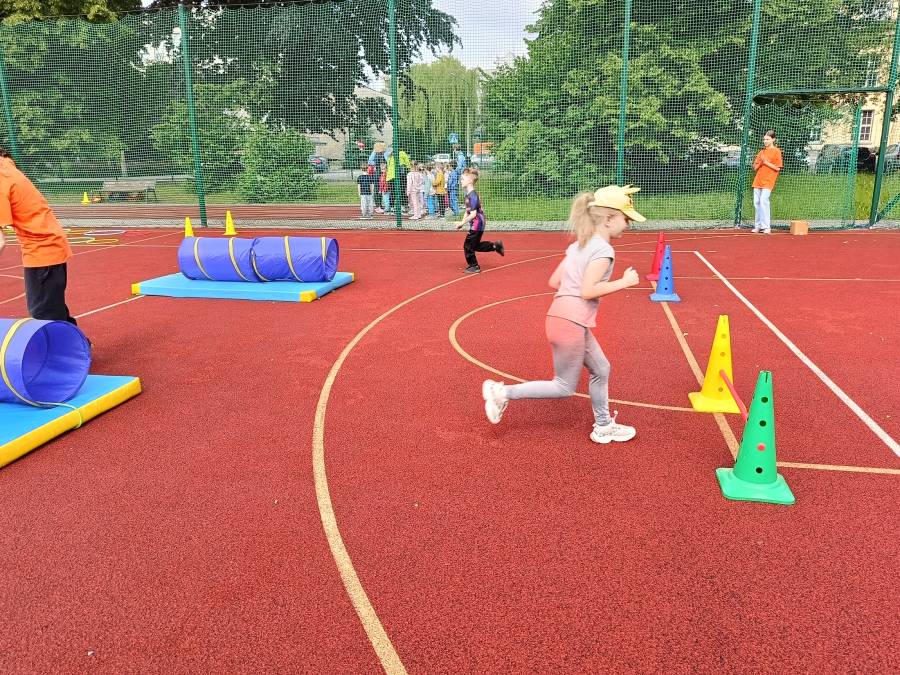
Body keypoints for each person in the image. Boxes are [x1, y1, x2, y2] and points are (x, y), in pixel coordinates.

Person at [482, 185, 644, 443]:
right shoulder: (604, 250)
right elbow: (588, 290)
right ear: (608, 219)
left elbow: (555, 281)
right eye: (626, 219)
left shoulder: (579, 246)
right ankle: (501, 392)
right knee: (563, 386)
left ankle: (603, 425)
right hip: (570, 323)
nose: (629, 225)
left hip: (563, 318)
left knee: (601, 368)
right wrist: (624, 282)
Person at [0, 148, 79, 328]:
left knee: (44, 315)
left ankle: (69, 344)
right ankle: (77, 343)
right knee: (52, 310)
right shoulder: (6, 167)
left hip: (42, 250)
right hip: (48, 246)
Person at [455, 167, 503, 273]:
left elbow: (473, 214)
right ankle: (495, 246)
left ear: (470, 180)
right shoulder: (468, 194)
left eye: (463, 179)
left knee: (468, 245)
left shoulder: (473, 196)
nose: (461, 181)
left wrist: (462, 222)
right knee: (475, 245)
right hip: (477, 223)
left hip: (477, 224)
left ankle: (474, 266)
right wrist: (462, 223)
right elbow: (467, 211)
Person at [751, 130, 783, 234]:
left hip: (768, 180)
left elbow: (777, 168)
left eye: (768, 139)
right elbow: (755, 167)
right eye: (764, 139)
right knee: (757, 203)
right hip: (758, 180)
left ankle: (766, 227)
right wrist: (761, 162)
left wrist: (766, 162)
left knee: (764, 201)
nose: (765, 141)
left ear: (773, 139)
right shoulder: (761, 152)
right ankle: (758, 226)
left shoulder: (777, 151)